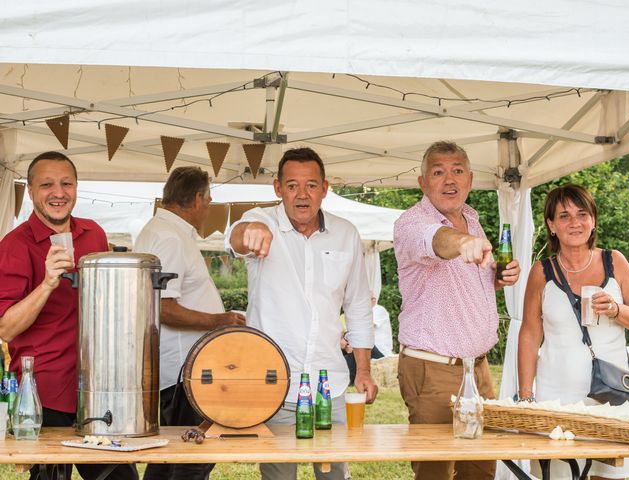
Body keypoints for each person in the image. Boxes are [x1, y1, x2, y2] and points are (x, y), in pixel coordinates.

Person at [226, 147, 378, 480]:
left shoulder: (346, 233)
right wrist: (247, 232)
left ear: (325, 189)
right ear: (278, 188)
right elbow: (236, 237)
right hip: (276, 385)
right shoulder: (261, 221)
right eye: (292, 185)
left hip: (331, 385)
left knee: (334, 474)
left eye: (311, 185)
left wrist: (363, 370)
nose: (302, 195)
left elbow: (356, 307)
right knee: (279, 475)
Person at [0, 151, 138, 480]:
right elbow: (6, 327)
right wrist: (48, 283)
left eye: (66, 183)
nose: (58, 192)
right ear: (30, 191)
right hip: (43, 393)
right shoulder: (15, 246)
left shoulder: (93, 233)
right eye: (46, 184)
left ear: (77, 188)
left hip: (98, 388)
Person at [393, 141, 520, 480]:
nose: (449, 180)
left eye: (457, 171)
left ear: (470, 178)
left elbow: (465, 283)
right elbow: (438, 241)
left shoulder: (472, 220)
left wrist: (496, 277)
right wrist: (463, 243)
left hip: (477, 369)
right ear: (423, 182)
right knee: (435, 469)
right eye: (438, 172)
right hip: (433, 370)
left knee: (480, 468)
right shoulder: (411, 224)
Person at [518, 183, 629, 480]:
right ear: (551, 225)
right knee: (560, 475)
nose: (575, 222)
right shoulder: (541, 271)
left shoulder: (615, 261)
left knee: (607, 475)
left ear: (593, 220)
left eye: (582, 214)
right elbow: (530, 333)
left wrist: (616, 310)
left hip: (611, 398)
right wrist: (525, 397)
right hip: (557, 398)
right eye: (564, 216)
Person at [134, 166, 245, 480]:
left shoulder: (161, 230)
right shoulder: (169, 237)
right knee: (193, 455)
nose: (208, 208)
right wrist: (218, 320)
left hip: (181, 367)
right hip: (185, 371)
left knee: (169, 455)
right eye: (208, 200)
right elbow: (163, 307)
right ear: (197, 199)